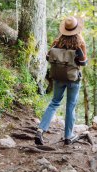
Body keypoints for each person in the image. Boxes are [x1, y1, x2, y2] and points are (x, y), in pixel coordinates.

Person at [35, 16, 87, 146]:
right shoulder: (79, 45)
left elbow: (48, 57)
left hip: (58, 77)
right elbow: (83, 62)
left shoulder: (56, 42)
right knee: (70, 106)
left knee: (54, 102)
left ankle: (40, 130)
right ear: (77, 31)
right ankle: (68, 137)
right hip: (73, 79)